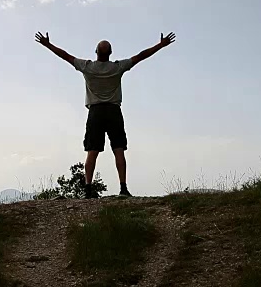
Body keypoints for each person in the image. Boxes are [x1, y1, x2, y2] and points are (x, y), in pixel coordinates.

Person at [34, 31, 176, 198]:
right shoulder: (117, 68)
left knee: (92, 151)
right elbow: (140, 56)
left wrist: (47, 44)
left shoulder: (87, 67)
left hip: (95, 112)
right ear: (110, 53)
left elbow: (65, 56)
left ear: (96, 51)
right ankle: (123, 188)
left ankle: (88, 189)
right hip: (113, 111)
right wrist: (160, 45)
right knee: (119, 150)